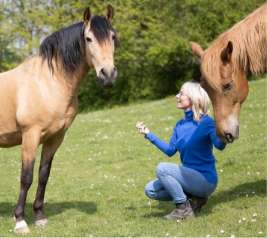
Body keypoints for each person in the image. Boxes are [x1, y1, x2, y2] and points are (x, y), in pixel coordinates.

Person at [136, 81, 226, 220]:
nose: (177, 96)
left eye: (181, 93)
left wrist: (225, 134)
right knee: (150, 190)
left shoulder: (206, 122)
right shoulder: (180, 125)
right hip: (188, 178)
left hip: (205, 180)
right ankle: (195, 200)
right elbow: (170, 150)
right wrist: (148, 134)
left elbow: (219, 145)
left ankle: (183, 207)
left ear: (193, 98)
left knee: (162, 168)